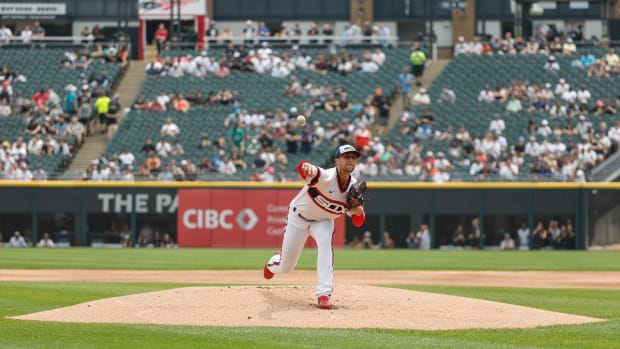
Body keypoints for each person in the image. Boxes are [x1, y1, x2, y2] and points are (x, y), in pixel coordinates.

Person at [263, 144, 366, 309]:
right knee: (286, 267)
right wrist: (305, 167)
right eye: (346, 157)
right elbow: (305, 170)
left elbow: (358, 221)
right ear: (337, 160)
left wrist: (357, 210)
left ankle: (324, 294)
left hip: (324, 220)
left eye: (354, 157)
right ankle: (274, 262)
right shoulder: (326, 176)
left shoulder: (354, 187)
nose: (351, 160)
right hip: (299, 218)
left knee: (325, 244)